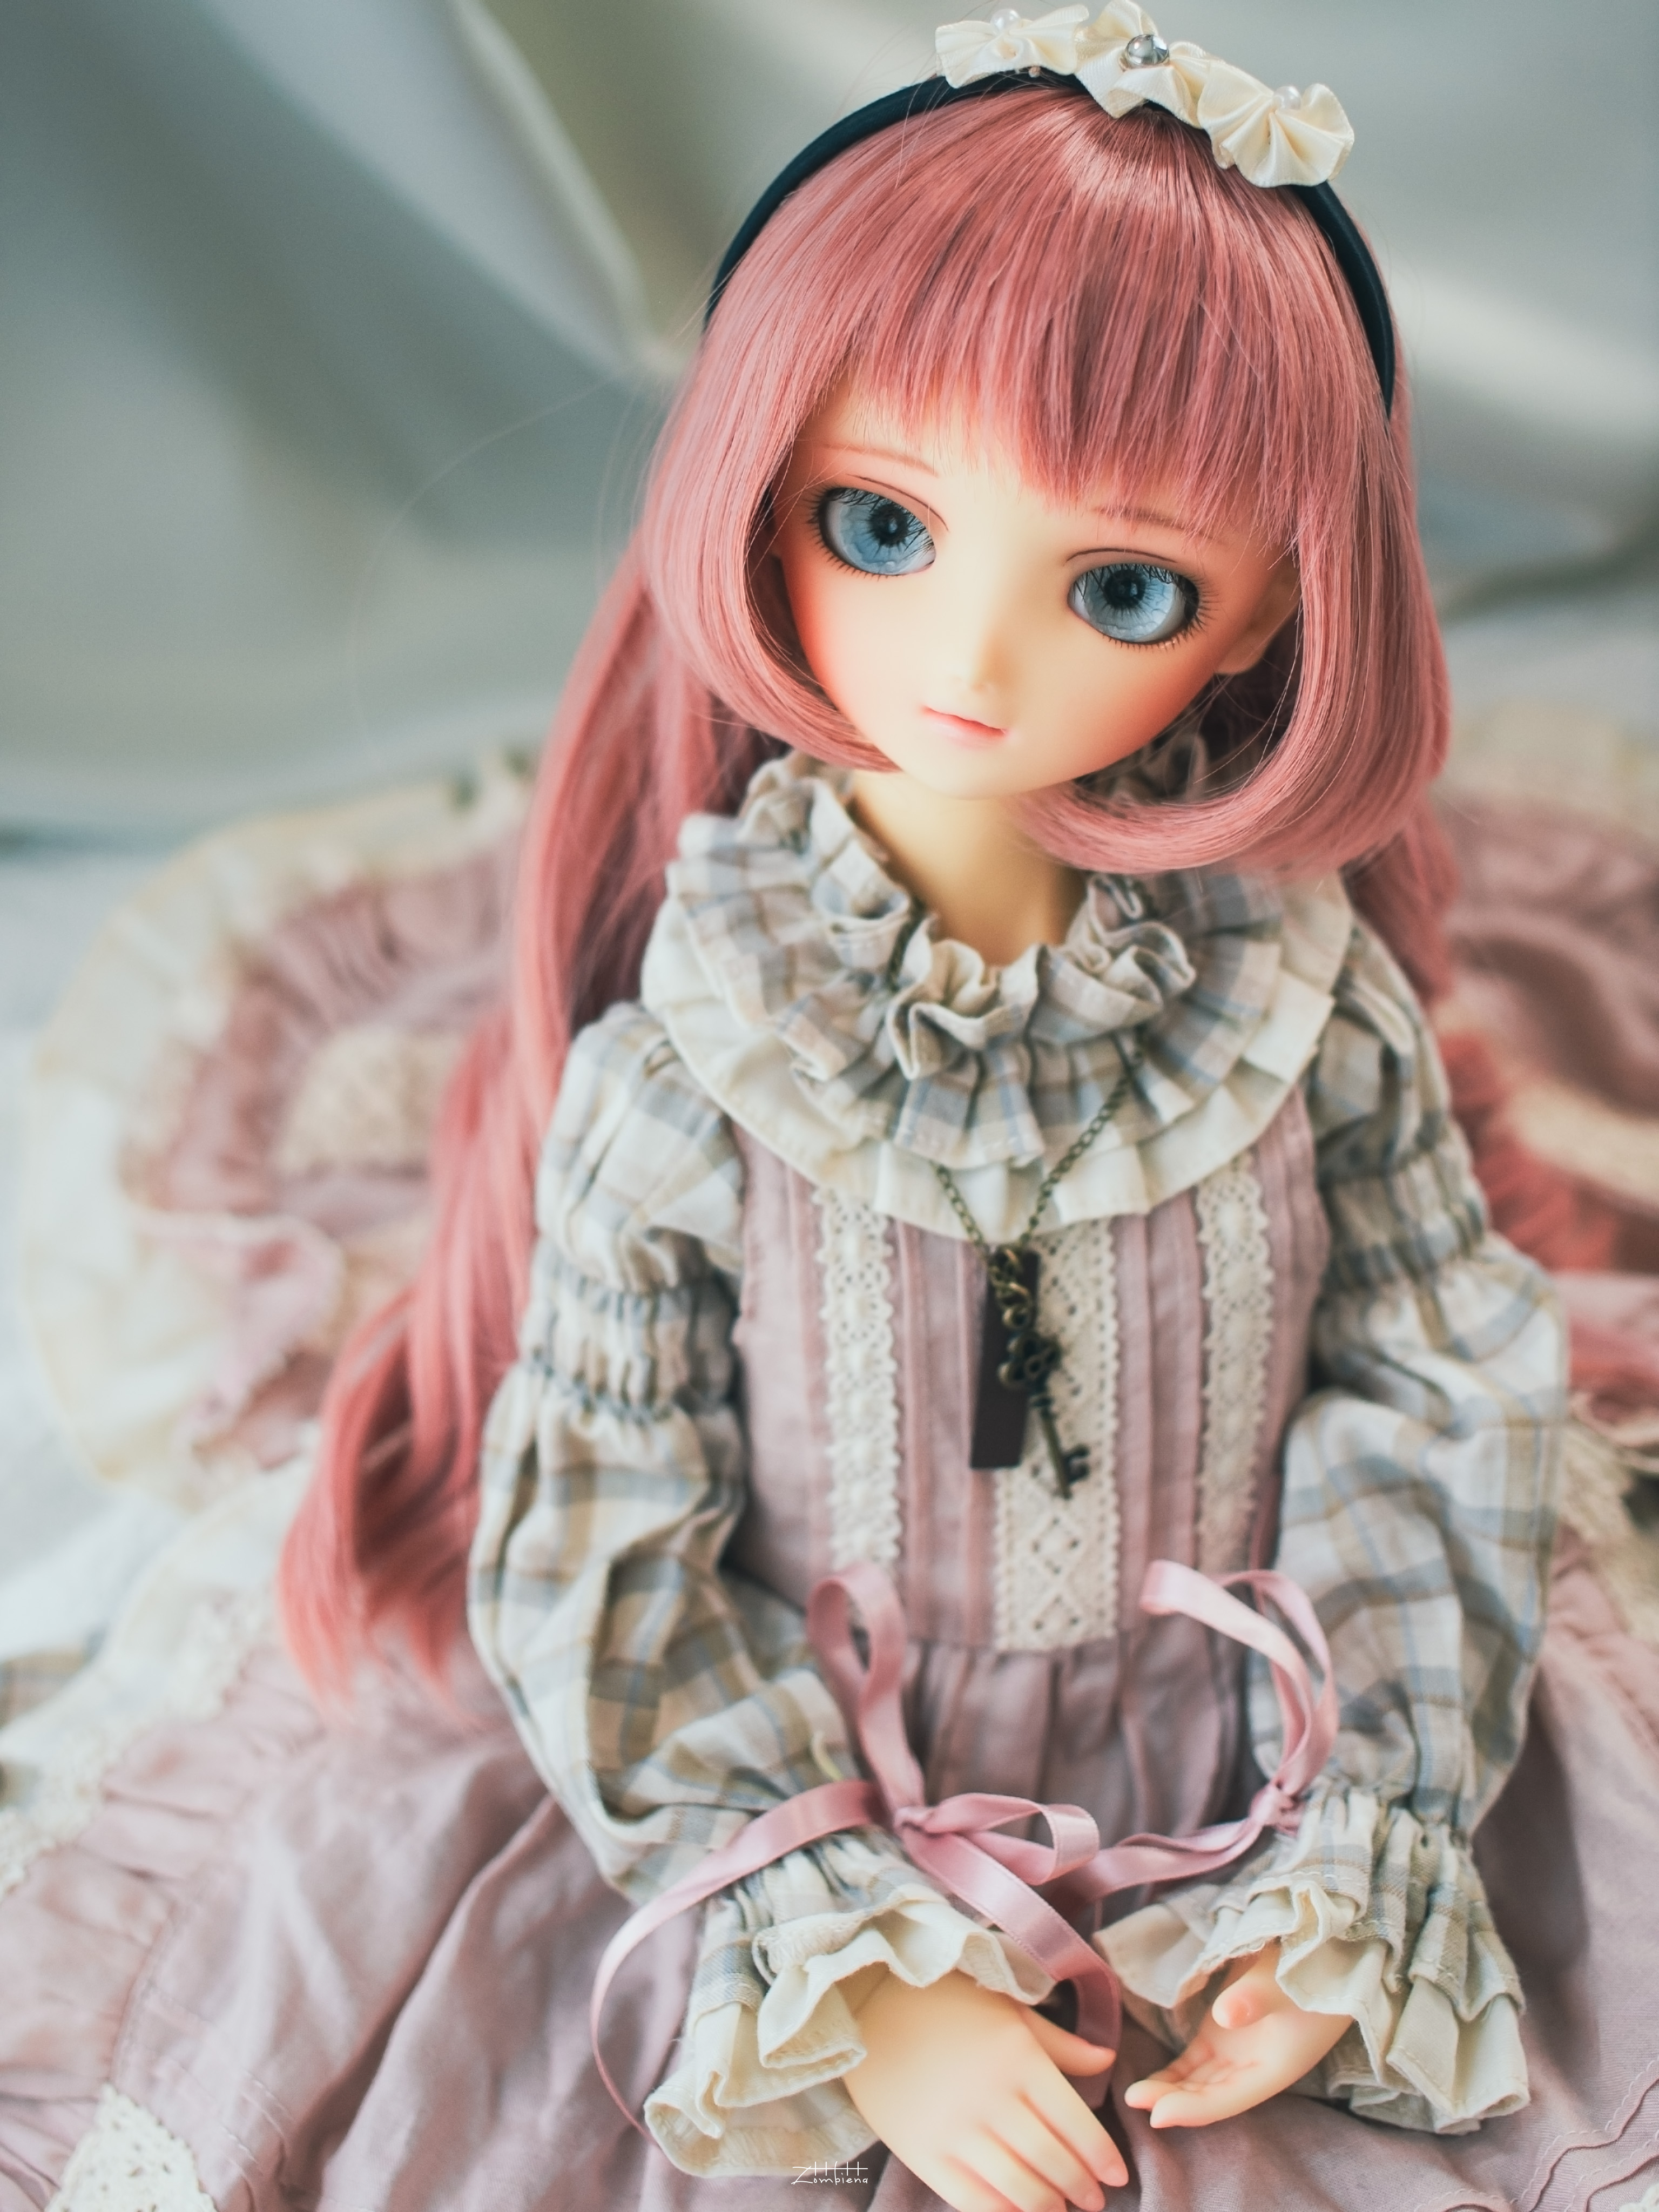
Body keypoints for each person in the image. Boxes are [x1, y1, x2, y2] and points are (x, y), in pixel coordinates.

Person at [5, 10, 1657, 2212]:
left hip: (1259, 1753)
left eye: (1125, 588)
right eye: (882, 524)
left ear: (1278, 601)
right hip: (791, 1767)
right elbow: (605, 1521)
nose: (971, 658)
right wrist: (854, 1977)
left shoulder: (1293, 1002)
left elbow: (1434, 1379)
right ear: (757, 488)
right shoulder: (704, 1056)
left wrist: (1356, 1856)